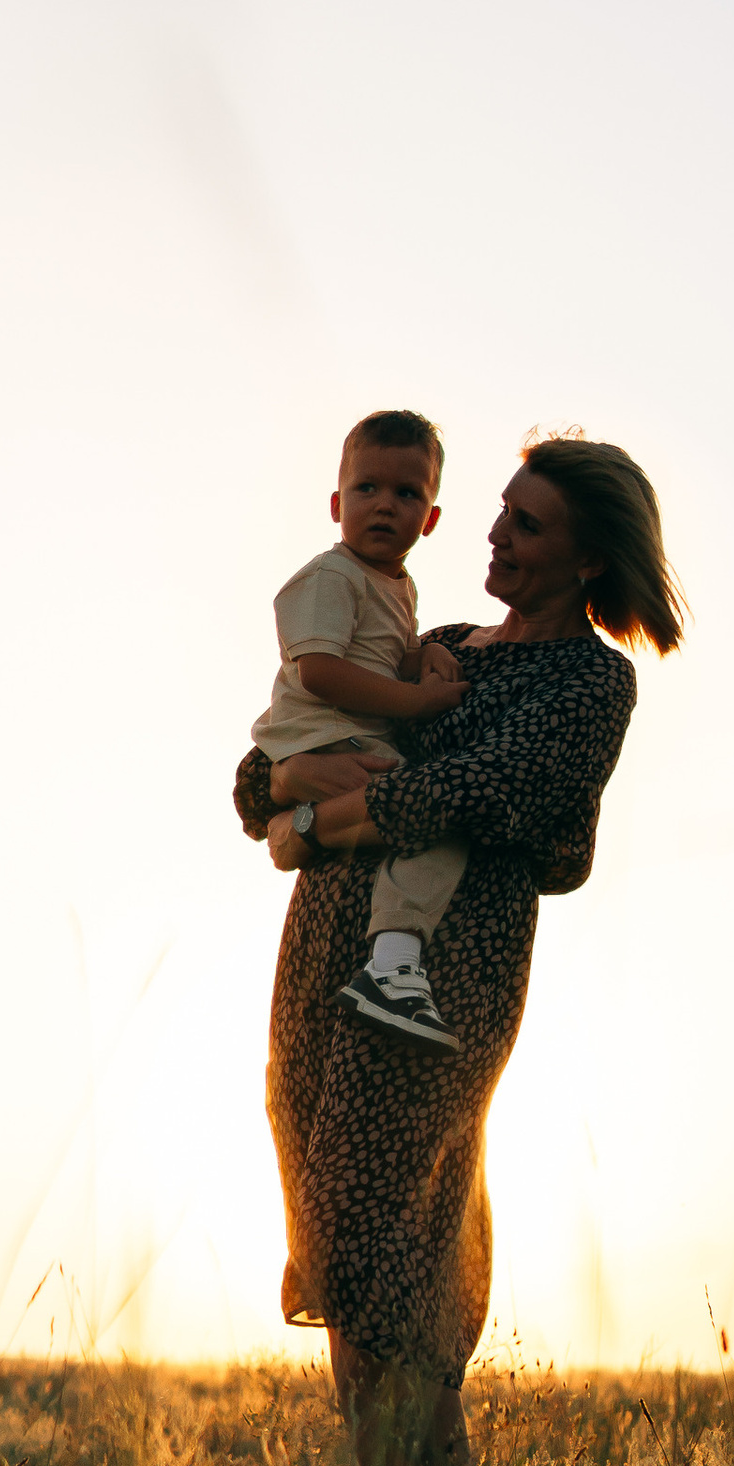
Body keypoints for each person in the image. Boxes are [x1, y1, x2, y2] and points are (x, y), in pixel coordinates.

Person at [234, 430, 684, 1466]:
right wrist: (287, 787)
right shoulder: (427, 638)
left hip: (439, 981)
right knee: (342, 1237)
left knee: (385, 1232)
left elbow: (476, 797)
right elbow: (261, 770)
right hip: (319, 962)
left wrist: (334, 814)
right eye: (500, 509)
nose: (493, 533)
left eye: (527, 524)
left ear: (585, 560)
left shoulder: (585, 681)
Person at [253, 413, 473, 1047]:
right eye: (366, 489)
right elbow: (321, 672)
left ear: (430, 518)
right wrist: (416, 701)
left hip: (353, 742)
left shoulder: (396, 584)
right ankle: (392, 966)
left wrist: (421, 656)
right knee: (435, 820)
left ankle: (296, 837)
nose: (384, 506)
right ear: (335, 503)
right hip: (322, 735)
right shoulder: (330, 577)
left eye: (407, 495)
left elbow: (376, 656)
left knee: (416, 820)